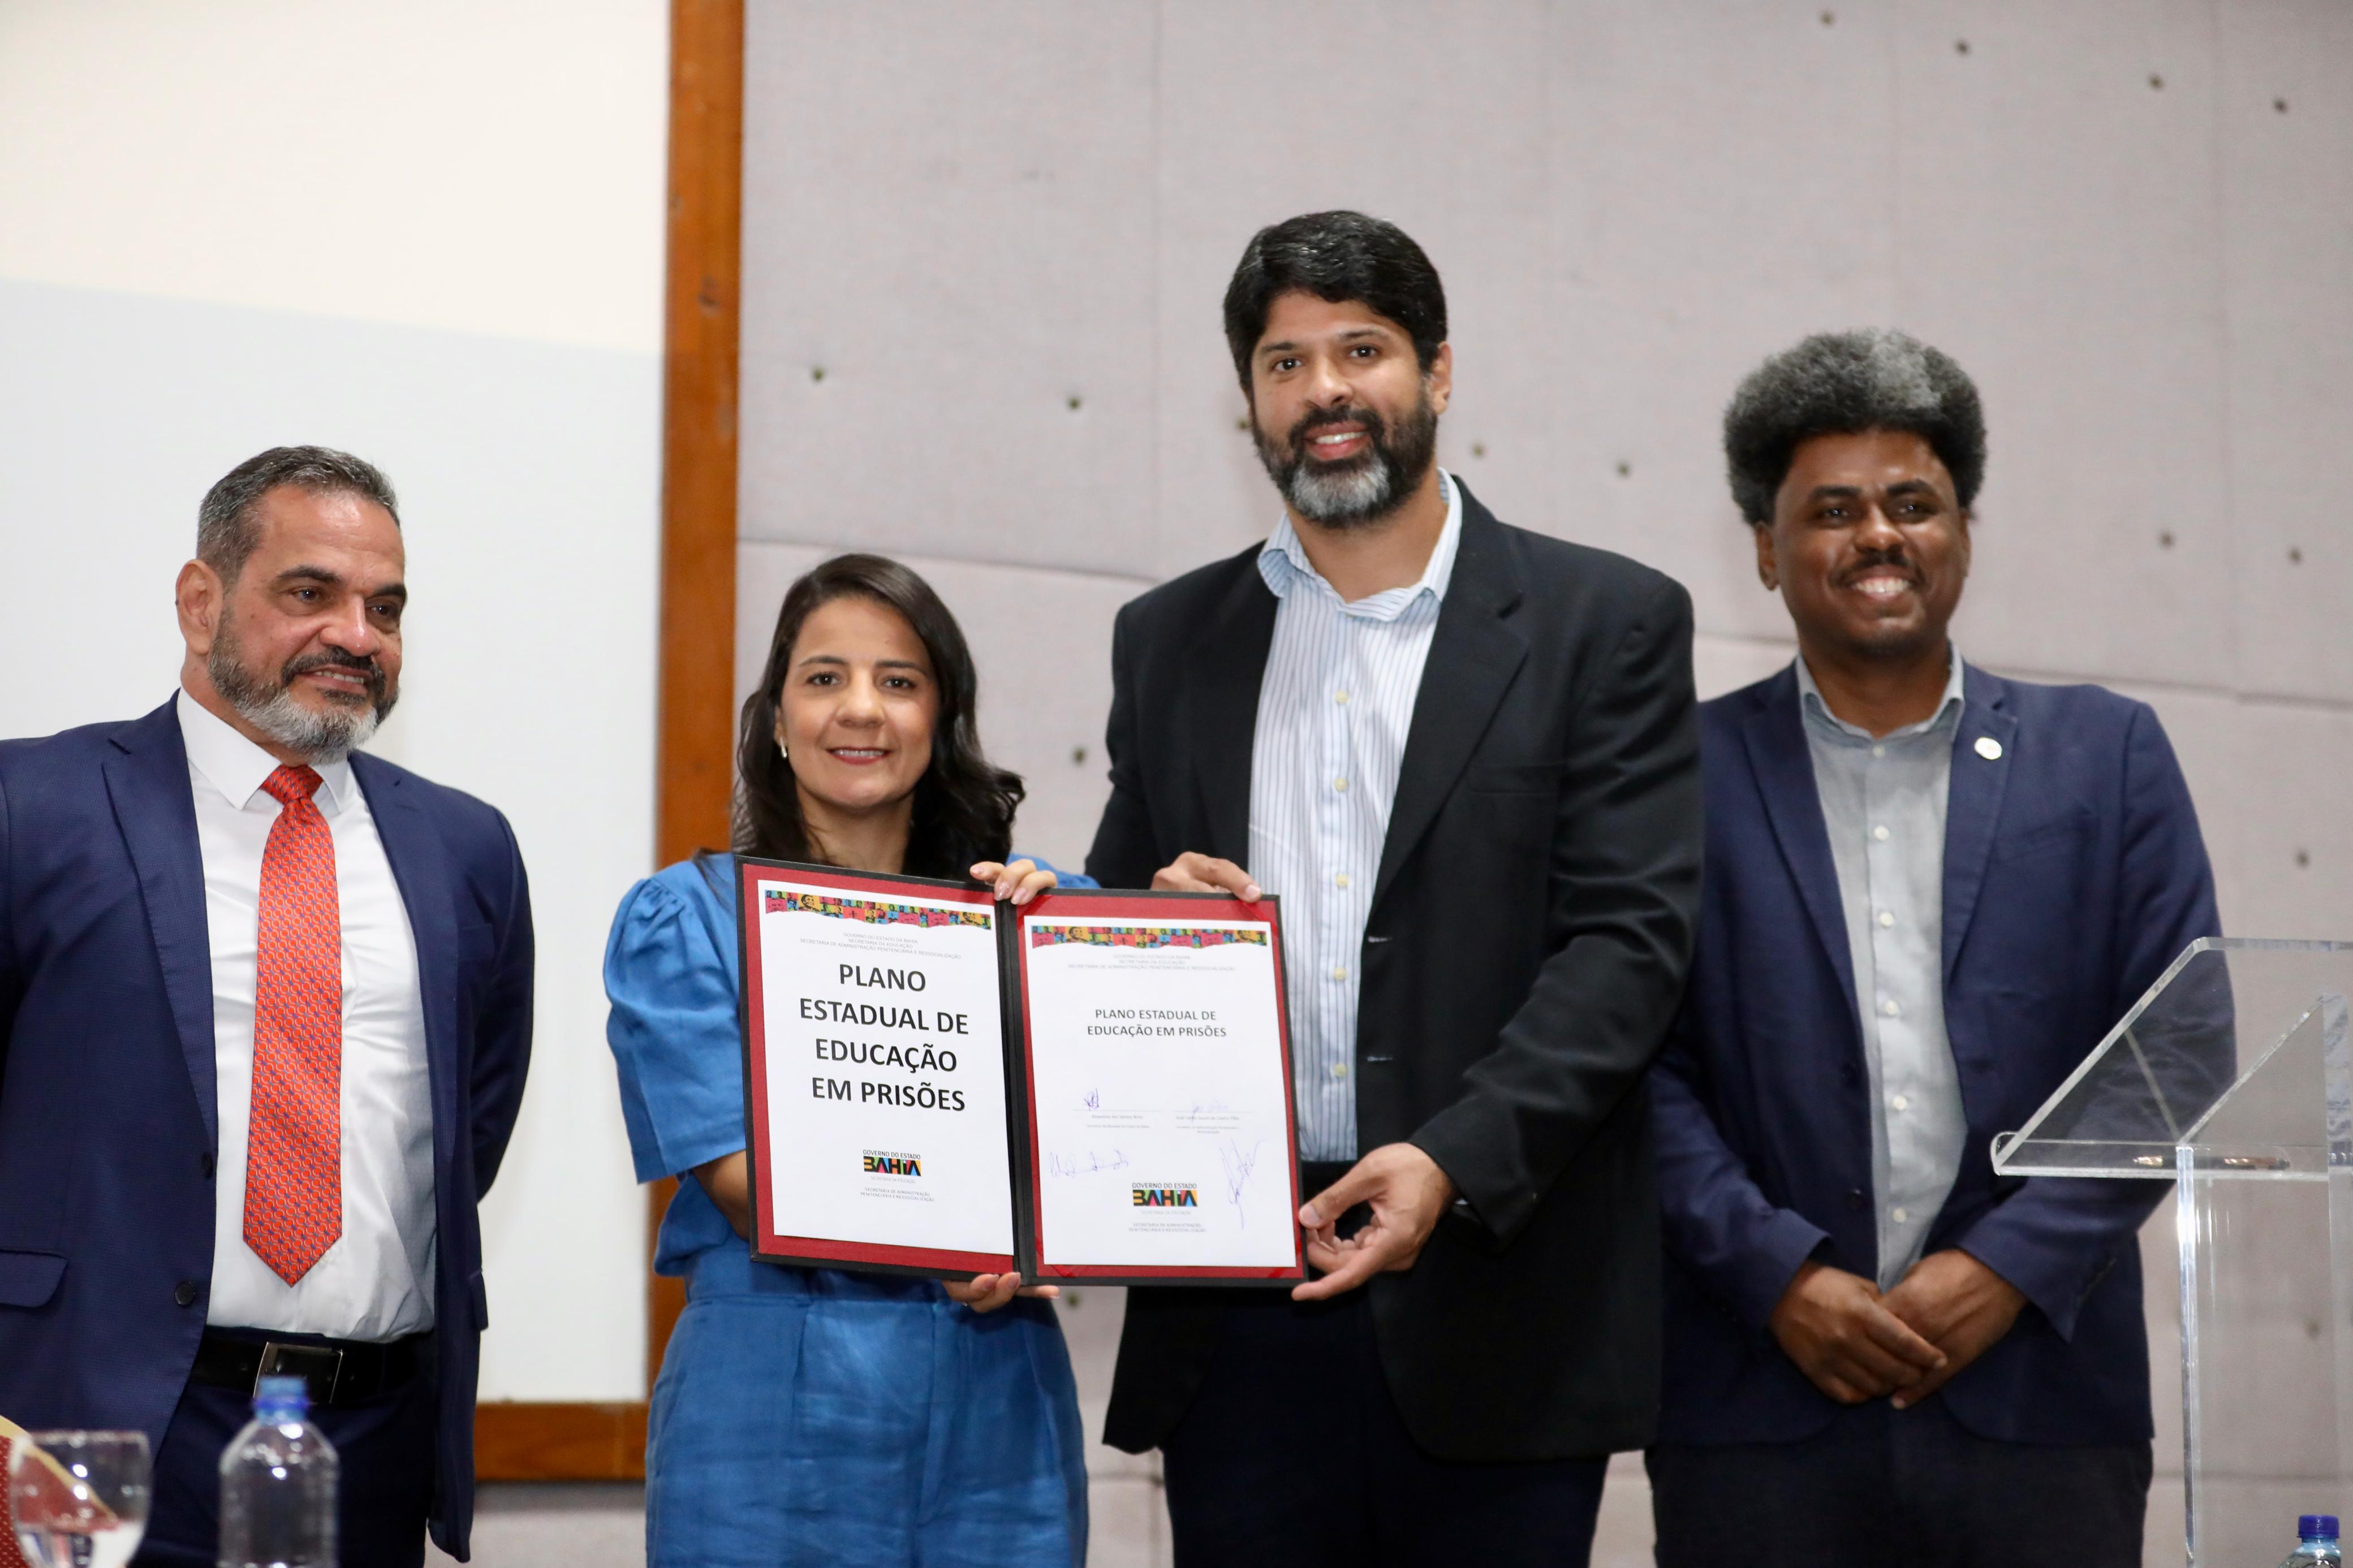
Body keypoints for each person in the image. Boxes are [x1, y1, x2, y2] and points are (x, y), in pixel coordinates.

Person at [1084, 210, 1704, 1567]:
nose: (1324, 392)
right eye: (1283, 360)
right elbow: (1116, 924)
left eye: (1359, 350)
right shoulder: (1168, 639)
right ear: (1246, 397)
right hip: (1232, 1301)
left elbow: (1630, 941)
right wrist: (1142, 920)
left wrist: (1452, 1161)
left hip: (1497, 1291)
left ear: (1436, 372)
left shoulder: (1605, 620)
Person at [1646, 330, 2218, 1566]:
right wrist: (1780, 1276)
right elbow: (1630, 1064)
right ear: (1764, 548)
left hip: (2042, 1408)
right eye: (1831, 509)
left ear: (1961, 530)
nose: (1877, 536)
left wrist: (2001, 1267)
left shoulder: (2107, 756)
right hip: (1756, 1401)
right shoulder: (1669, 776)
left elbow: (2178, 1046)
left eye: (1913, 503)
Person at [0, 446, 535, 1565]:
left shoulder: (466, 848)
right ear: (202, 604)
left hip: (372, 1437)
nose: (356, 634)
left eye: (384, 607)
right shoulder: (31, 806)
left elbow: (463, 1139)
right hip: (83, 1430)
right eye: (309, 593)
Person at [604, 553, 1090, 1568]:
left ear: (940, 720)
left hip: (1000, 1410)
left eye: (899, 681)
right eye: (823, 678)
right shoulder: (687, 920)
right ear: (777, 720)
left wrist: (1189, 923)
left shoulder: (1029, 919)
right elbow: (742, 1184)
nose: (861, 710)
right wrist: (965, 1244)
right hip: (769, 1407)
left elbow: (1111, 1152)